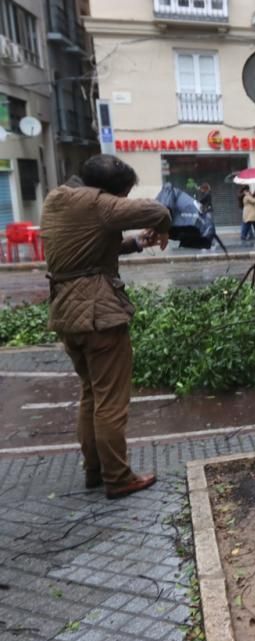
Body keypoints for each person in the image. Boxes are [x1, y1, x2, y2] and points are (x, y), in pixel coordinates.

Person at [40, 155, 170, 499]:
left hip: (66, 311)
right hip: (99, 313)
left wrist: (136, 243)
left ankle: (94, 471)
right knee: (111, 401)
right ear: (109, 192)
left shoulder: (58, 199)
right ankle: (119, 477)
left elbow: (88, 251)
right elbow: (158, 211)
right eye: (122, 195)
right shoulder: (99, 203)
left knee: (89, 394)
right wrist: (164, 228)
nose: (123, 203)